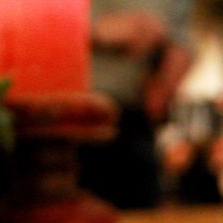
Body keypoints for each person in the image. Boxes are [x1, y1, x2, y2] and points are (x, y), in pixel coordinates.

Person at [79, 0, 194, 209]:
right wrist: (99, 30)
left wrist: (165, 80)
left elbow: (182, 42)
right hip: (74, 116)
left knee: (140, 212)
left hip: (134, 121)